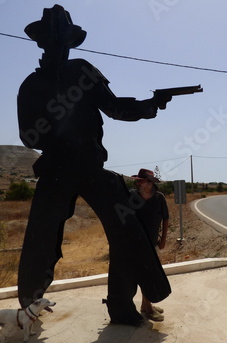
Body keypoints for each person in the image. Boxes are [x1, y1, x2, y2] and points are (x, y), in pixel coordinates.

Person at [16, 5, 172, 326]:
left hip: (82, 169)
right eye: (54, 39)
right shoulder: (36, 84)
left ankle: (123, 305)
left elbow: (114, 107)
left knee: (127, 233)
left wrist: (148, 105)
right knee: (40, 243)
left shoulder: (71, 74)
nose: (59, 45)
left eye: (61, 39)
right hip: (62, 169)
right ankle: (29, 309)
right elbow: (30, 136)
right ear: (44, 42)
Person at [130, 169, 169, 321]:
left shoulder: (159, 198)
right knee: (145, 275)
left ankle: (146, 305)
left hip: (153, 243)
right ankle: (149, 309)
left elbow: (165, 219)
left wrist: (163, 239)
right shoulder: (133, 197)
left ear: (150, 183)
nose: (138, 183)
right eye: (137, 181)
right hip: (138, 244)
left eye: (141, 181)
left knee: (151, 274)